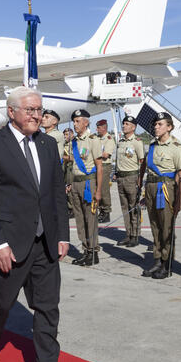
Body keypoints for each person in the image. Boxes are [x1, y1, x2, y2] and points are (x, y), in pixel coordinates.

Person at [0, 86, 72, 362]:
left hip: (45, 243)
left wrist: (62, 235)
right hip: (10, 244)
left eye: (39, 110)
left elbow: (56, 193)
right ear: (11, 112)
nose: (36, 115)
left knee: (48, 306)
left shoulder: (46, 144)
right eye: (30, 110)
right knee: (1, 304)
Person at [142, 112, 181, 279]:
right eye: (155, 124)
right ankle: (157, 259)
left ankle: (167, 264)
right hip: (151, 187)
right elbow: (147, 171)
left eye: (160, 124)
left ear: (169, 127)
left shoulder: (175, 147)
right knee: (155, 226)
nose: (156, 127)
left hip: (166, 189)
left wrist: (179, 201)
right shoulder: (152, 145)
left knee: (166, 227)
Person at [69, 109, 104, 265]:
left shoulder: (93, 140)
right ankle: (85, 250)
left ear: (86, 122)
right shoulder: (74, 141)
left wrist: (98, 190)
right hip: (76, 183)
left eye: (78, 121)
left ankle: (93, 252)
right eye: (74, 121)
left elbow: (99, 166)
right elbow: (73, 165)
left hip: (88, 183)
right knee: (79, 219)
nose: (75, 124)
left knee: (90, 218)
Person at [114, 115, 145, 247]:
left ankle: (135, 235)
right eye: (124, 123)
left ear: (133, 127)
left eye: (127, 124)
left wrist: (140, 180)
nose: (124, 126)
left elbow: (142, 161)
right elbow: (118, 159)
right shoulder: (120, 141)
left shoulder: (137, 142)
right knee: (124, 207)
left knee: (134, 207)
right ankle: (128, 234)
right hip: (121, 177)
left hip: (132, 177)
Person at [95, 119, 115, 223]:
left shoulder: (109, 139)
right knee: (97, 188)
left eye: (98, 127)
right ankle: (100, 210)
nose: (96, 129)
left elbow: (106, 154)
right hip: (97, 166)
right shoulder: (96, 138)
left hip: (104, 166)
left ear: (104, 128)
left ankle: (106, 211)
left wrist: (94, 152)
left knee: (103, 189)